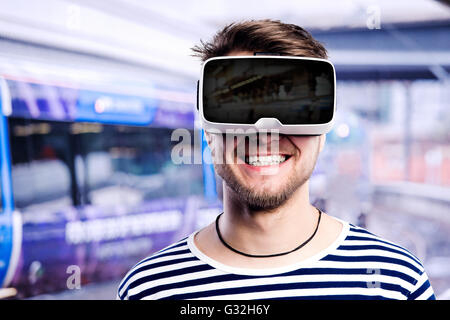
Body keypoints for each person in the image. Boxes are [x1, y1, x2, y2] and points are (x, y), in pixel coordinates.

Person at [117, 19, 435, 300]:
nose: (265, 132)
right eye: (241, 108)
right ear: (209, 133)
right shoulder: (149, 288)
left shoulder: (396, 281)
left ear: (322, 131)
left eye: (294, 109)